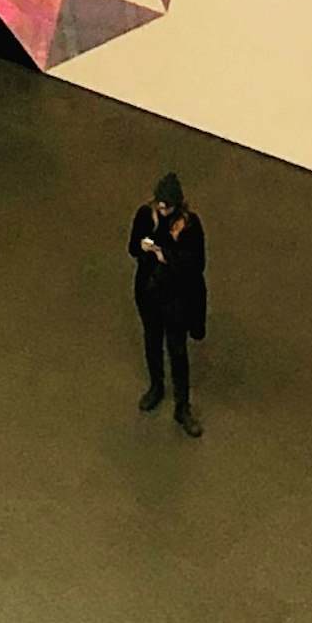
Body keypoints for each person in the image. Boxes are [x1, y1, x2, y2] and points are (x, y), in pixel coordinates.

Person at [128, 172, 207, 434]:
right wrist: (143, 247)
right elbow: (132, 248)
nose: (162, 210)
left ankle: (182, 406)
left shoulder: (190, 226)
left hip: (176, 300)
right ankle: (156, 386)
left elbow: (196, 264)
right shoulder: (145, 216)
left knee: (178, 352)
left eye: (167, 206)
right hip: (149, 294)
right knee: (152, 340)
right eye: (160, 204)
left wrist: (165, 255)